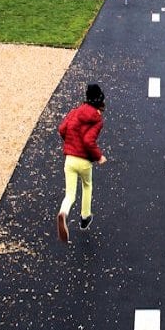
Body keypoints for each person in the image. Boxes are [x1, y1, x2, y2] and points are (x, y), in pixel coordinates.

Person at [56, 83, 107, 243]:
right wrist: (99, 157)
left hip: (69, 159)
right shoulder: (97, 119)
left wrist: (70, 144)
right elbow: (88, 140)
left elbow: (62, 129)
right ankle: (85, 217)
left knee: (70, 194)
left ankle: (63, 213)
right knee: (87, 185)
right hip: (84, 161)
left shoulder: (74, 112)